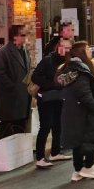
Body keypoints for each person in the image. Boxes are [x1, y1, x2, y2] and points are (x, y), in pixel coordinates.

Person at [58, 41, 94, 182]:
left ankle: (78, 170)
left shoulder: (70, 67)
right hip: (84, 111)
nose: (90, 50)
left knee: (79, 140)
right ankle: (88, 166)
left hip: (74, 110)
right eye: (88, 48)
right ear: (82, 52)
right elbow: (84, 92)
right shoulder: (80, 70)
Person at [31, 38, 72, 168]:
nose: (64, 50)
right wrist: (52, 84)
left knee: (58, 125)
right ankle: (40, 157)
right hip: (46, 98)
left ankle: (55, 152)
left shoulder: (67, 63)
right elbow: (35, 77)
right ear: (57, 47)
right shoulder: (47, 60)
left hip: (59, 97)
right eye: (62, 47)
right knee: (45, 126)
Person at [0, 25, 31, 139]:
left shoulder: (25, 51)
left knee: (20, 128)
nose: (25, 37)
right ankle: (5, 155)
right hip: (10, 99)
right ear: (14, 36)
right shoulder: (3, 52)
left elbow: (27, 71)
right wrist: (13, 86)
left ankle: (17, 154)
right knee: (7, 130)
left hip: (23, 99)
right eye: (22, 35)